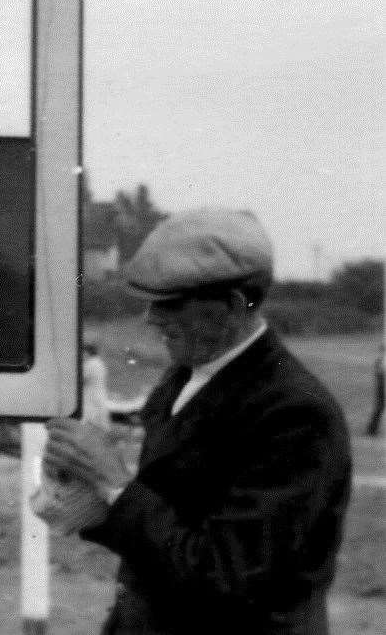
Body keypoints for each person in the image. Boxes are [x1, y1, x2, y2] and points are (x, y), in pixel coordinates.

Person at [45, 208, 352, 634]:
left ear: (233, 304)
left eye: (170, 303)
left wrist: (114, 484)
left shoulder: (294, 414)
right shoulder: (189, 377)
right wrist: (86, 486)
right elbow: (172, 520)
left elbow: (228, 576)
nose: (153, 318)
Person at [367, 345, 384, 438]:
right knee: (380, 405)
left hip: (381, 379)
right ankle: (371, 429)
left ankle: (372, 428)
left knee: (380, 405)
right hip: (381, 381)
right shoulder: (381, 361)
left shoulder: (380, 360)